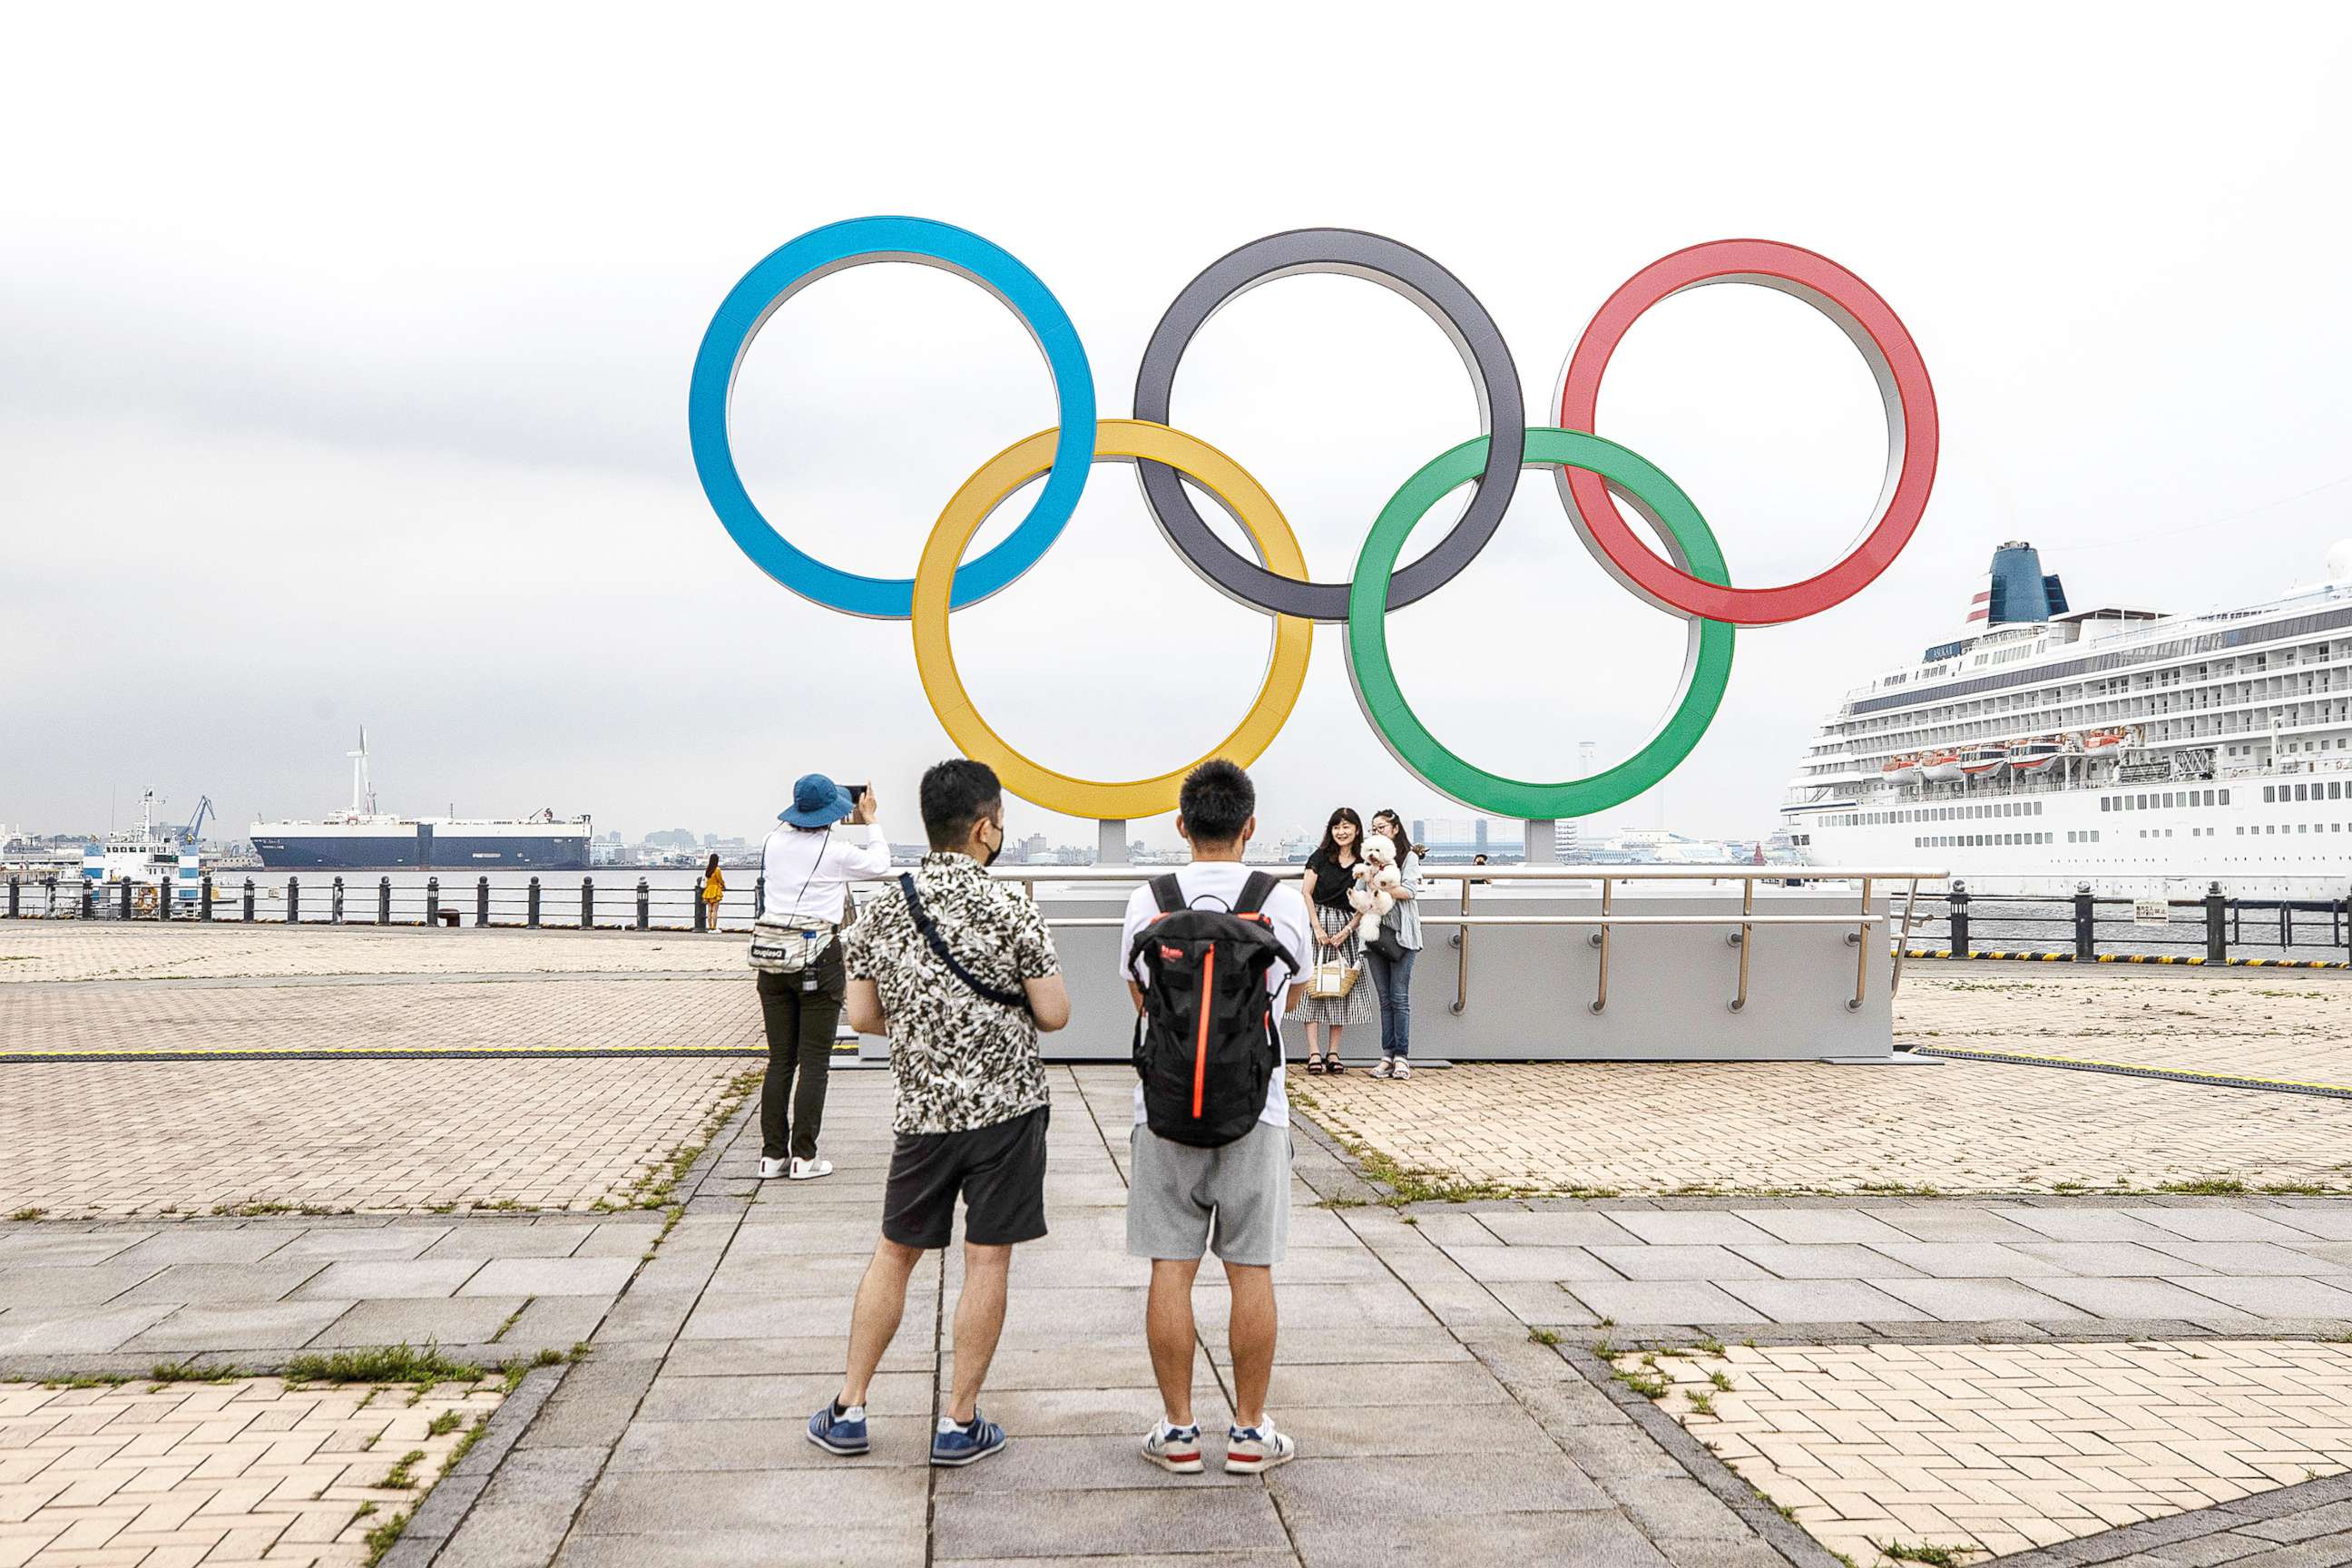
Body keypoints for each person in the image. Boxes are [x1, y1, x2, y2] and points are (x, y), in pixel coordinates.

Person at [808, 759, 1069, 1469]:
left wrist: (929, 1023)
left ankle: (850, 1408)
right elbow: (1054, 1013)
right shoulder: (1011, 904)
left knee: (895, 1253)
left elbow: (862, 1016)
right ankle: (958, 1422)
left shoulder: (884, 905)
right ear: (984, 828)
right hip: (1008, 1112)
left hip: (923, 1110)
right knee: (987, 1261)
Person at [1120, 759, 1309, 1475]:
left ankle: (1177, 1433)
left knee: (1171, 1269)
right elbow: (1286, 1001)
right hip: (1256, 1109)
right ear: (1249, 826)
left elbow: (1142, 1000)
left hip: (1163, 1108)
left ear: (1181, 824)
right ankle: (1251, 1434)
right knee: (1250, 1270)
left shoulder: (1151, 898)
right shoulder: (1280, 901)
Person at [754, 774, 889, 1182]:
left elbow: (793, 836)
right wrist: (870, 820)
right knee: (814, 1062)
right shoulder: (837, 851)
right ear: (832, 813)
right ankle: (804, 1157)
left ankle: (772, 1156)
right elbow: (880, 864)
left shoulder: (771, 843)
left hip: (773, 958)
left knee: (780, 1060)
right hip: (818, 957)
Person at [1292, 807, 1374, 1073]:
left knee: (1341, 987)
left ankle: (1333, 1052)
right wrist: (1316, 927)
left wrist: (1349, 929)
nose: (1341, 832)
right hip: (1319, 924)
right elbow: (1306, 892)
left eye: (1346, 827)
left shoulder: (1365, 863)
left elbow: (1367, 901)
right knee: (1312, 987)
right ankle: (1314, 1052)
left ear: (1357, 830)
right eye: (1337, 827)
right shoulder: (1320, 857)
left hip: (1347, 927)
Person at [1365, 809, 1426, 1080]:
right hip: (1375, 936)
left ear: (1395, 829)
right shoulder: (1369, 860)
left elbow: (1409, 891)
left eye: (1383, 827)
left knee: (1399, 998)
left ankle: (1402, 1056)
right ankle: (1386, 1056)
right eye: (1374, 828)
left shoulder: (1408, 857)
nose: (1379, 832)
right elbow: (1361, 892)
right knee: (1385, 1000)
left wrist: (1378, 885)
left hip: (1403, 936)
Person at [699, 853, 726, 932]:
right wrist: (724, 885)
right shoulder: (717, 869)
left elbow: (706, 880)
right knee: (715, 911)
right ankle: (714, 927)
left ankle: (710, 927)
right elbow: (720, 880)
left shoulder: (708, 869)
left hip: (708, 890)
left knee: (709, 910)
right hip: (715, 890)